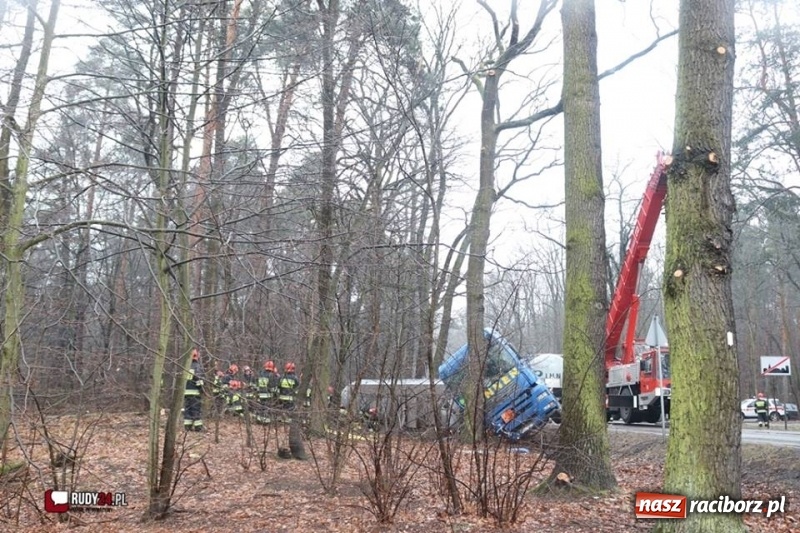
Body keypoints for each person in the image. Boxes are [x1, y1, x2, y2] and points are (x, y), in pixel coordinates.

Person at [183, 348, 205, 432]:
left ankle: (187, 427)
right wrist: (202, 389)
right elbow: (199, 380)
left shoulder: (185, 366)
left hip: (186, 392)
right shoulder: (197, 366)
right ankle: (198, 427)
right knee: (196, 409)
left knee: (187, 409)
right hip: (195, 392)